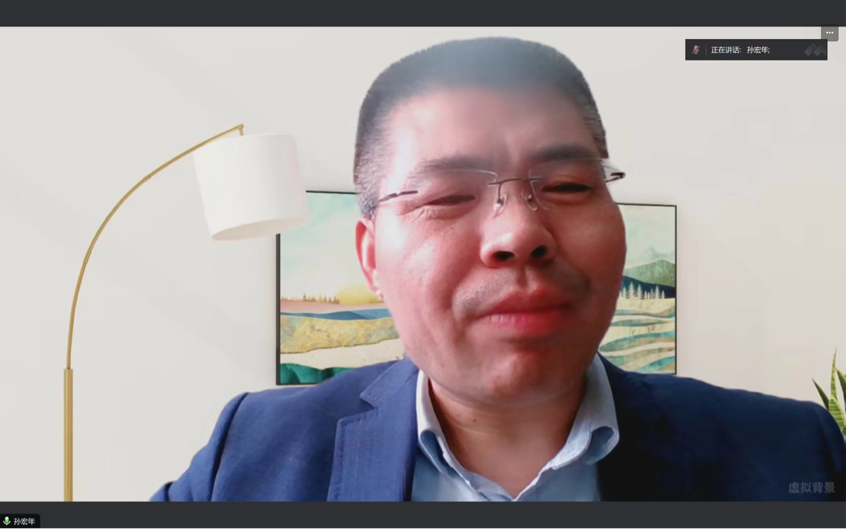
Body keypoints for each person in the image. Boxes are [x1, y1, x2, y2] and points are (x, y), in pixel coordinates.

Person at [151, 37, 845, 501]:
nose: (519, 233)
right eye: (448, 195)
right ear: (371, 258)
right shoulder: (250, 456)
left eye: (568, 185)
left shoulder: (792, 454)